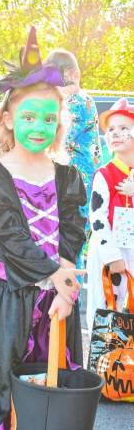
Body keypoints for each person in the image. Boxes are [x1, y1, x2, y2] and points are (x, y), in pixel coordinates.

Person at [0, 27, 86, 430]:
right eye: (29, 117)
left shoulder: (69, 177)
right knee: (5, 392)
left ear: (59, 123)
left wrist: (67, 293)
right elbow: (14, 240)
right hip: (14, 301)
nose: (39, 126)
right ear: (8, 119)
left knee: (55, 393)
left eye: (48, 118)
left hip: (61, 300)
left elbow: (72, 234)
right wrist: (58, 277)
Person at [86, 98, 134, 333]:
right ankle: (105, 366)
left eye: (124, 128)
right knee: (108, 309)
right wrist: (112, 256)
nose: (116, 134)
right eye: (112, 129)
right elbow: (97, 218)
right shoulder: (104, 174)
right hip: (111, 252)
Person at [44, 49, 101, 227]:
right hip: (80, 177)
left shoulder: (77, 102)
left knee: (76, 230)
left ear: (75, 75)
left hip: (80, 179)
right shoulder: (80, 99)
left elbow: (60, 139)